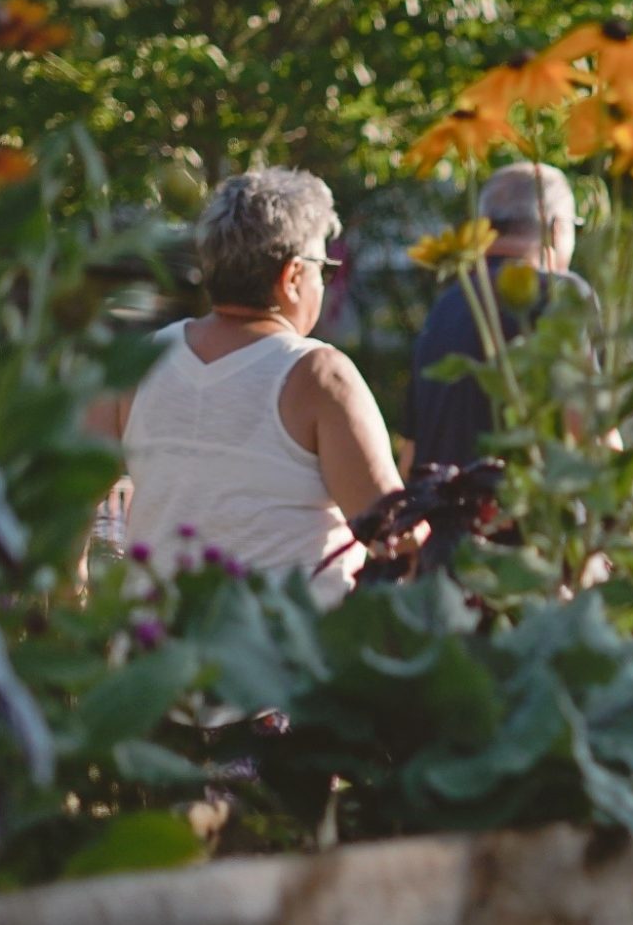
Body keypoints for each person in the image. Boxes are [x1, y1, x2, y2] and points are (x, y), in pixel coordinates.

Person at [93, 167, 405, 605]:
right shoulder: (318, 375)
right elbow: (391, 530)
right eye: (325, 268)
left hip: (158, 649)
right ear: (294, 275)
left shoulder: (142, 358)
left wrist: (74, 605)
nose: (325, 281)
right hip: (280, 656)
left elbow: (70, 501)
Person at [407, 162, 593, 473]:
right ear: (556, 228)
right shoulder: (560, 292)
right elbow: (588, 428)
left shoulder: (446, 304)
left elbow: (410, 451)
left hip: (442, 510)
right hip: (526, 512)